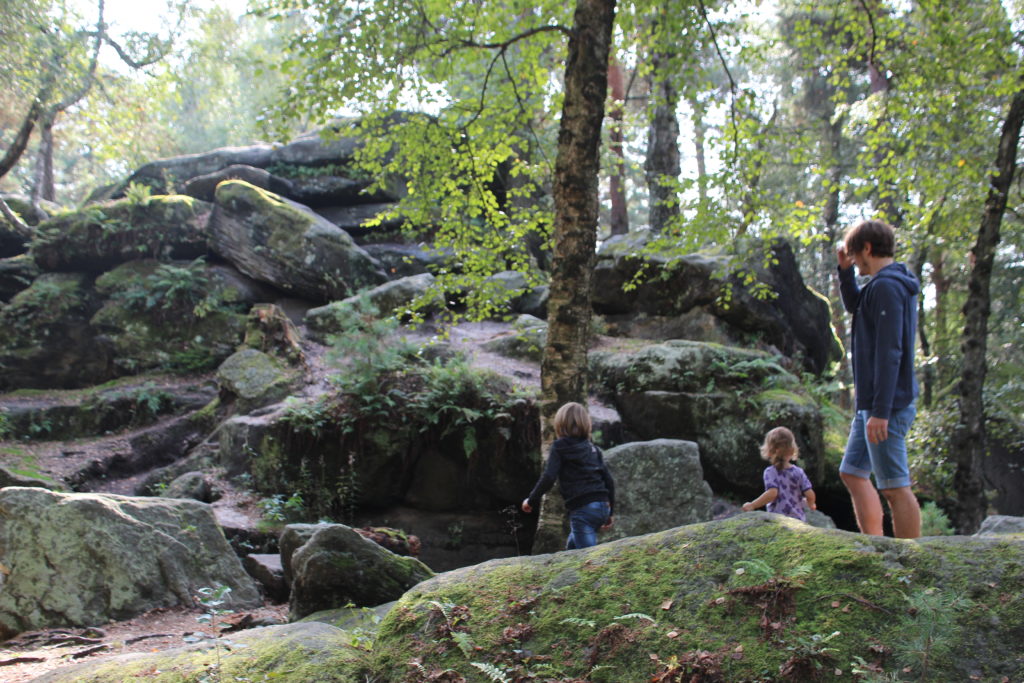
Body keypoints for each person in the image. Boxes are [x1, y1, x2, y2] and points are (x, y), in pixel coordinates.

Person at [836, 219, 922, 539]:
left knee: (895, 488)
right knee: (852, 473)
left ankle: (910, 564)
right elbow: (855, 306)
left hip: (885, 405)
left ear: (868, 249)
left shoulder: (887, 286)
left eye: (855, 254)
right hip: (871, 404)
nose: (855, 259)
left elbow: (891, 352)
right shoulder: (879, 285)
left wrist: (881, 411)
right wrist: (845, 272)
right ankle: (876, 547)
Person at [521, 402, 615, 550]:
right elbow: (608, 481)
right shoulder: (593, 448)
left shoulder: (560, 447)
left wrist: (531, 500)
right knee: (571, 550)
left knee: (587, 557)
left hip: (583, 509)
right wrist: (610, 512)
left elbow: (549, 477)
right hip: (602, 506)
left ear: (560, 424)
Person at [742, 427, 816, 521]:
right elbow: (810, 494)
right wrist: (811, 504)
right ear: (793, 450)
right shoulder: (799, 472)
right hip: (798, 521)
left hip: (778, 520)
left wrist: (753, 505)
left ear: (769, 451)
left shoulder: (770, 472)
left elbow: (772, 493)